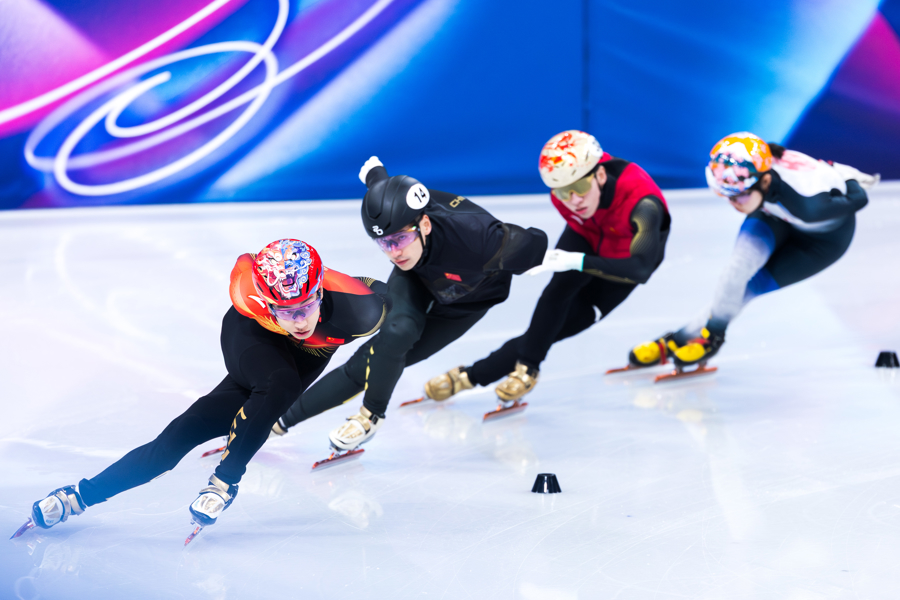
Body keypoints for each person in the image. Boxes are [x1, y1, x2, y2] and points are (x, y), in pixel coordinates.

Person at [23, 239, 390, 536]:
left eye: (306, 306)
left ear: (321, 291)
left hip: (290, 369)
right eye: (285, 310)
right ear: (266, 302)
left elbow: (396, 300)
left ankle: (76, 498)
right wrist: (278, 316)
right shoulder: (247, 294)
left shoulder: (361, 309)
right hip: (253, 337)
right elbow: (249, 266)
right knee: (276, 385)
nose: (298, 321)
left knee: (186, 432)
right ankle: (222, 483)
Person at [275, 157, 548, 445]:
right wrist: (376, 176)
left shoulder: (480, 237)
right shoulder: (401, 225)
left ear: (425, 224)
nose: (394, 252)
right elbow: (385, 189)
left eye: (400, 239)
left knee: (386, 360)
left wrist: (548, 258)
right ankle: (289, 421)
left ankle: (361, 415)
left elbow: (536, 242)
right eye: (384, 243)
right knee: (389, 340)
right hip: (417, 276)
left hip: (468, 299)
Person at [423, 130, 671, 403]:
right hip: (589, 235)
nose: (574, 200)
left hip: (625, 262)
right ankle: (526, 370)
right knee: (556, 293)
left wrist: (576, 260)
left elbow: (641, 269)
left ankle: (469, 376)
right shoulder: (568, 199)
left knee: (564, 325)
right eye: (564, 191)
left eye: (580, 187)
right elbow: (577, 219)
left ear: (600, 175)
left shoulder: (643, 203)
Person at [627, 132, 875, 371]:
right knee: (736, 270)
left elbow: (859, 199)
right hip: (775, 215)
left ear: (765, 181)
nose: (734, 203)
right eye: (727, 196)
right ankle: (684, 338)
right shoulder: (756, 164)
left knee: (749, 289)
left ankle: (703, 338)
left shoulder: (810, 205)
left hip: (821, 242)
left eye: (740, 196)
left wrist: (847, 176)